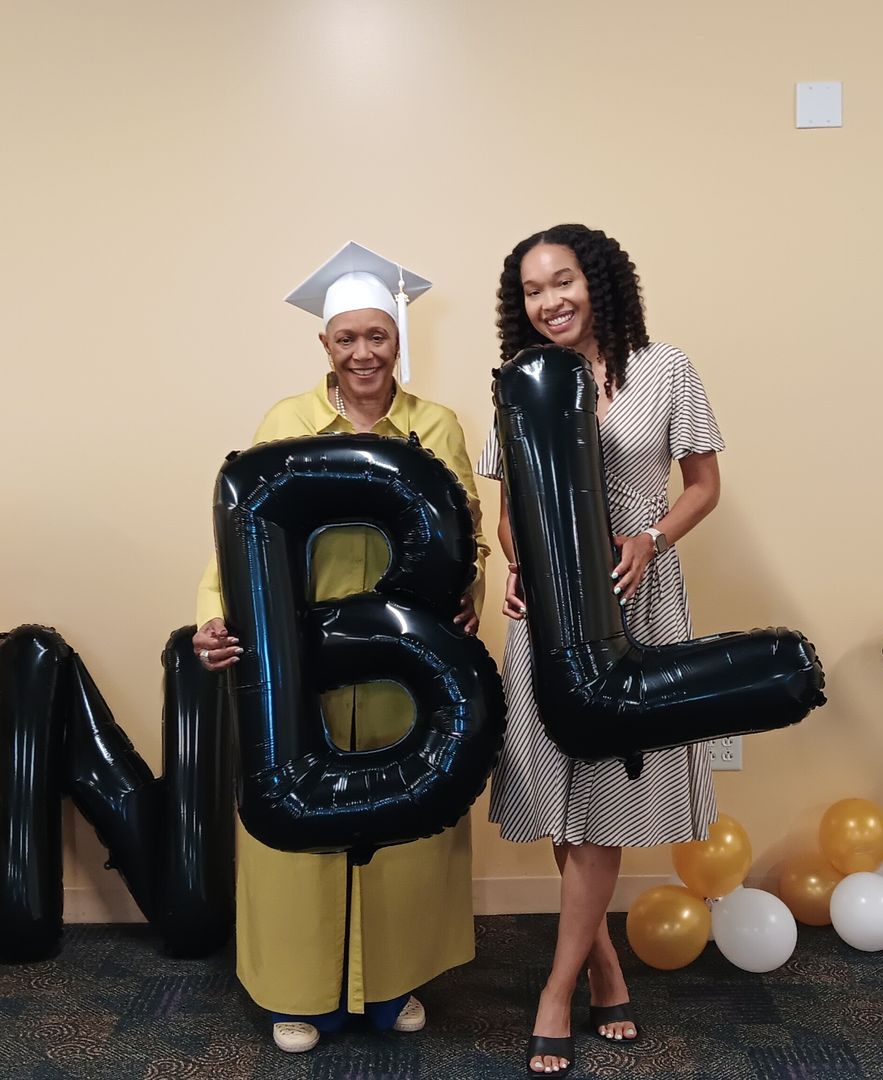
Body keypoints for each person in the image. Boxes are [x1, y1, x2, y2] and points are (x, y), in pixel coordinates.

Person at [193, 241, 488, 1053]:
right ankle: (301, 993)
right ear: (324, 345)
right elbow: (239, 542)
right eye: (347, 339)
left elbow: (471, 540)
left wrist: (466, 600)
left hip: (401, 667)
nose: (364, 353)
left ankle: (391, 985)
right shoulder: (286, 424)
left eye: (378, 336)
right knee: (302, 824)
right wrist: (213, 617)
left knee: (403, 818)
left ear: (399, 338)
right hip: (304, 665)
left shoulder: (436, 428)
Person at [477, 225, 726, 1076]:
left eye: (564, 281)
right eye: (533, 290)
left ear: (600, 282)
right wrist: (519, 564)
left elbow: (704, 487)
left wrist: (651, 537)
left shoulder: (665, 369)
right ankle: (605, 964)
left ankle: (556, 990)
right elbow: (509, 507)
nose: (550, 301)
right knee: (559, 787)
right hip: (547, 605)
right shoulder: (519, 384)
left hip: (634, 598)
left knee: (609, 795)